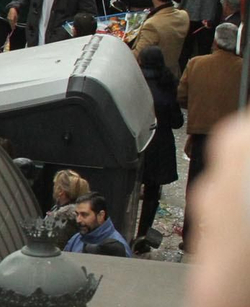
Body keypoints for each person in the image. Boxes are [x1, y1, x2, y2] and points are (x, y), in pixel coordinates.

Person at [178, 24, 245, 250]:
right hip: (232, 138)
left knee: (196, 187)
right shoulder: (244, 69)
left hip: (202, 136)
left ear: (214, 42)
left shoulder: (196, 64)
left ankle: (190, 239)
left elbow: (182, 96)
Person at [135, 46, 182, 251]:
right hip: (160, 145)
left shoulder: (134, 83)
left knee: (130, 187)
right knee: (152, 193)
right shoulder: (167, 84)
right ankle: (142, 237)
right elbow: (177, 121)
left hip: (136, 142)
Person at [129, 0, 191, 76]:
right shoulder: (184, 16)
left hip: (154, 77)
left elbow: (137, 56)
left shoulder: (152, 25)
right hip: (173, 72)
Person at [64, 193, 132, 256]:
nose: (78, 220)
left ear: (101, 216)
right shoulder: (76, 239)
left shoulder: (118, 248)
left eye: (84, 215)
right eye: (77, 214)